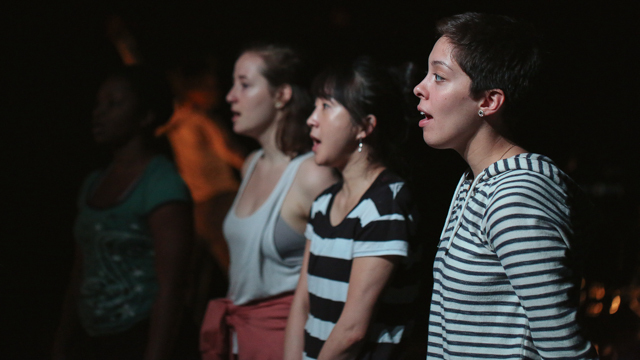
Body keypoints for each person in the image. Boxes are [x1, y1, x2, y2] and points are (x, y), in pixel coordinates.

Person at [413, 12, 598, 359]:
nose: (419, 87)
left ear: (488, 101)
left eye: (438, 77)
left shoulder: (517, 194)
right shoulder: (475, 182)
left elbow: (564, 348)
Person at [199, 44, 337, 360]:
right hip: (242, 341)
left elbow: (337, 277)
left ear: (281, 95)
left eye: (244, 84)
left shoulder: (311, 175)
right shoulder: (250, 165)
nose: (230, 96)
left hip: (286, 343)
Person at [284, 57, 423, 360]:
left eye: (326, 106)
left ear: (364, 126)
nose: (311, 118)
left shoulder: (386, 204)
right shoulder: (323, 203)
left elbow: (352, 331)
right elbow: (301, 304)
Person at [53, 66, 193, 360]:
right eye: (98, 104)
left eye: (113, 104)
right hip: (92, 337)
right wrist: (61, 345)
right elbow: (80, 274)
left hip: (137, 336)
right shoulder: (93, 183)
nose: (98, 113)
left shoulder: (161, 184)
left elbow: (171, 289)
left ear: (146, 116)